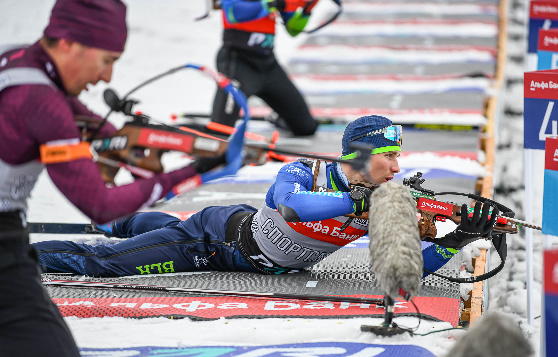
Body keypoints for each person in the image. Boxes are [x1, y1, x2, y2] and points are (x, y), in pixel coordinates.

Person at [0, 0, 240, 357]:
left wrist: (143, 146)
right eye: (107, 60)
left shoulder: (17, 63)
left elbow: (97, 130)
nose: (107, 76)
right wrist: (196, 170)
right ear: (70, 44)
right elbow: (101, 206)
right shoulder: (42, 102)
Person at [34, 115, 499, 279]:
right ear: (359, 155)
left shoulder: (383, 198)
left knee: (153, 230)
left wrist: (456, 238)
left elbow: (406, 269)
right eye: (389, 156)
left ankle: (123, 221)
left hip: (234, 239)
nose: (397, 168)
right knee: (104, 263)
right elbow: (295, 207)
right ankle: (21, 256)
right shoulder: (302, 171)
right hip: (215, 244)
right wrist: (359, 204)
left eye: (400, 158)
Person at [211, 0, 320, 137]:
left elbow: (293, 29)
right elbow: (233, 13)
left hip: (268, 66)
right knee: (219, 132)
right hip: (238, 64)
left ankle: (278, 118)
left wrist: (307, 9)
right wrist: (272, 3)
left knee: (306, 127)